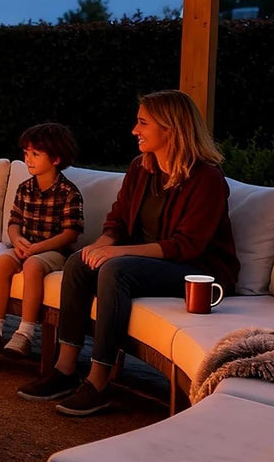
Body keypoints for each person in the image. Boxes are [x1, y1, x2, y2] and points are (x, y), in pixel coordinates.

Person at [17, 90, 238, 417]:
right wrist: (103, 243)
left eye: (142, 123)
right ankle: (65, 370)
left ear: (170, 127)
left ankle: (99, 381)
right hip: (147, 261)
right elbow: (118, 219)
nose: (135, 130)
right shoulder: (141, 168)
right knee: (80, 262)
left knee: (116, 269)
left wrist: (118, 253)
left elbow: (187, 245)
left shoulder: (206, 178)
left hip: (196, 271)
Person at [0, 123, 84, 364]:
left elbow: (70, 234)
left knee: (33, 265)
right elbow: (14, 222)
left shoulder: (68, 192)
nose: (28, 160)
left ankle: (25, 333)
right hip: (26, 246)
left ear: (56, 158)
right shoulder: (25, 189)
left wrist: (37, 248)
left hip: (54, 252)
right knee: (3, 262)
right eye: (26, 153)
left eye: (35, 154)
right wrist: (17, 240)